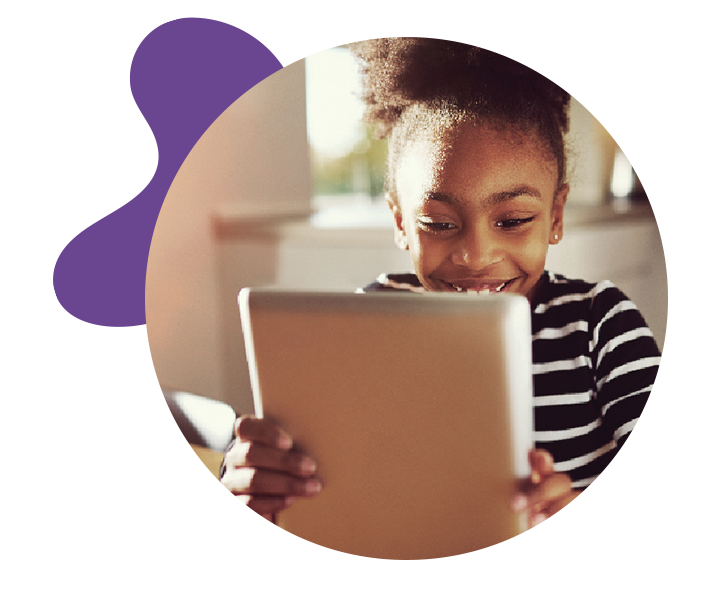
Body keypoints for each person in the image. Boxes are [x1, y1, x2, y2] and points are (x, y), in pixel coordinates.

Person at [220, 35, 668, 561]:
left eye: (513, 220)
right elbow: (294, 467)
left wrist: (587, 544)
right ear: (401, 223)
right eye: (439, 223)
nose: (476, 255)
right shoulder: (369, 319)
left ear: (556, 216)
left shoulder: (598, 323)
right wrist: (247, 481)